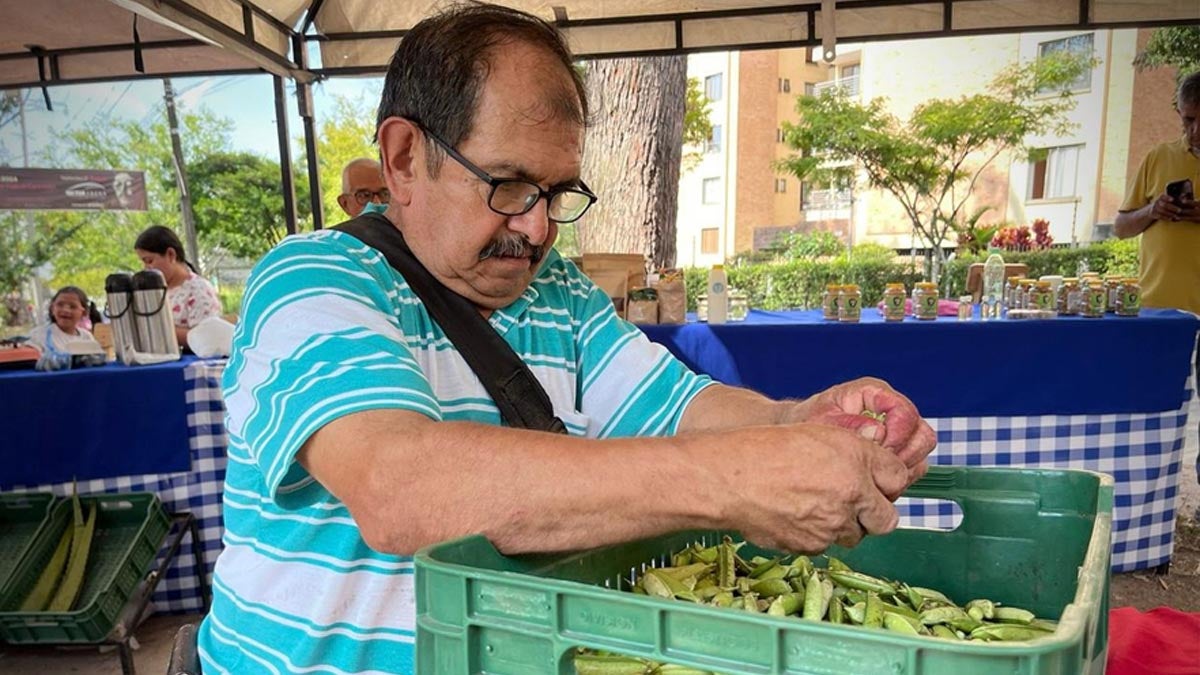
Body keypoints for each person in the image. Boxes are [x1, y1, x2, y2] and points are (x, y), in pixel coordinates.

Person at [197, 5, 937, 674]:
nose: (537, 227)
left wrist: (804, 419)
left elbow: (681, 409)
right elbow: (400, 487)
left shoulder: (558, 297)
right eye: (510, 185)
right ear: (402, 158)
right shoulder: (314, 281)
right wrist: (732, 481)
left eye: (556, 193)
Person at [1114, 70, 1200, 505]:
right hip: (1159, 313)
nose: (1196, 130)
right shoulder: (1158, 157)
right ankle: (1144, 504)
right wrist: (1153, 208)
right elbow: (1120, 227)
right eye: (1188, 120)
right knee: (1151, 414)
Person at [133, 225, 221, 349]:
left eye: (149, 261)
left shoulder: (198, 289)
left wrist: (159, 330)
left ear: (171, 254)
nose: (146, 268)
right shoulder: (155, 292)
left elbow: (206, 337)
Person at [27, 286, 101, 357]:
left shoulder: (87, 337)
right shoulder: (39, 336)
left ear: (83, 312)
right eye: (60, 305)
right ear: (52, 308)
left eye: (72, 306)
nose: (65, 310)